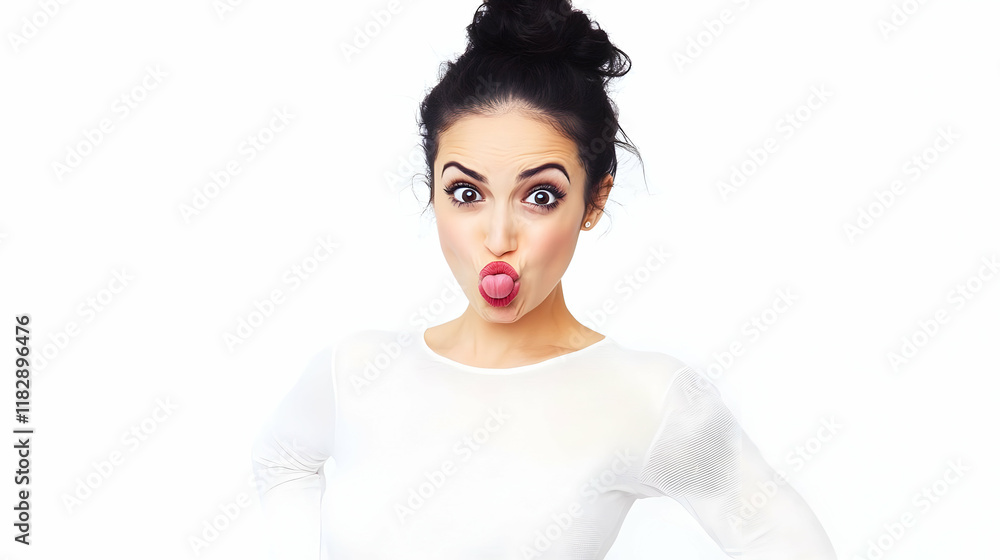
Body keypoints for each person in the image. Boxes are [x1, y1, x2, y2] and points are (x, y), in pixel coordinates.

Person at [251, 0, 838, 557]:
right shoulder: (354, 371)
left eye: (539, 195)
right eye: (466, 193)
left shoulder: (646, 396)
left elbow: (789, 545)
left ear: (593, 200)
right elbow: (281, 462)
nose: (499, 236)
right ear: (431, 189)